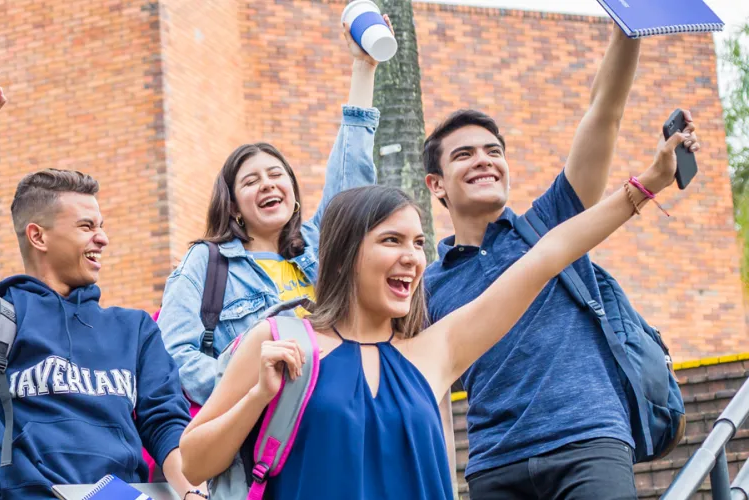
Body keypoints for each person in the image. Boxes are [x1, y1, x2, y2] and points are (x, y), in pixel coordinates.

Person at [177, 116, 699, 499]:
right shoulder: (278, 340)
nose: (412, 257)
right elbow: (196, 461)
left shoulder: (436, 350)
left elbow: (548, 255)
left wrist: (647, 184)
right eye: (391, 241)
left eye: (419, 243)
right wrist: (256, 397)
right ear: (345, 253)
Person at [0, 85, 199, 499]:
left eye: (101, 225)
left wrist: (190, 492)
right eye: (87, 227)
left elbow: (165, 425)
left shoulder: (135, 330)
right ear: (38, 236)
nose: (103, 238)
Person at [421, 30, 687, 498]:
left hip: (588, 441)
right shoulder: (429, 285)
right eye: (464, 155)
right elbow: (434, 399)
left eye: (494, 152)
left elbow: (604, 110)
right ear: (437, 185)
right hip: (493, 466)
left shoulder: (551, 220)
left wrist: (631, 26)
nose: (484, 162)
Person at [157, 17, 387, 404]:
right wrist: (250, 381)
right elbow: (174, 361)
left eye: (276, 175)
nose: (267, 184)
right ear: (233, 207)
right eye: (250, 181)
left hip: (344, 412)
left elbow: (352, 179)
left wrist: (363, 68)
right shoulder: (205, 264)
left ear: (294, 195)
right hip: (264, 436)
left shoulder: (319, 245)